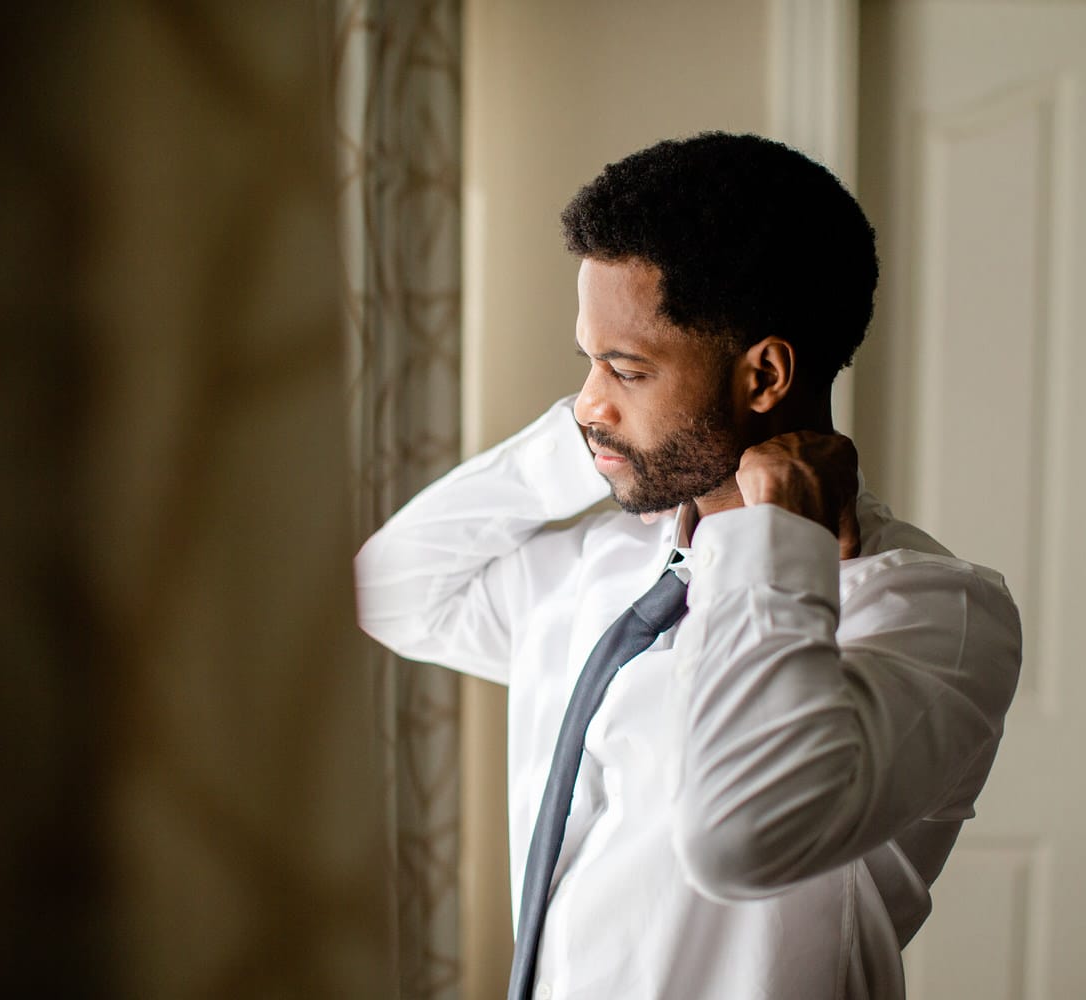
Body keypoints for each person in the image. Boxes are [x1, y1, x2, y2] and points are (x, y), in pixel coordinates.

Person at [355, 131, 1021, 1000]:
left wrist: (782, 544)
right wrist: (592, 439)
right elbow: (388, 589)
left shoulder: (930, 614)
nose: (586, 401)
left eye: (626, 368)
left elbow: (741, 836)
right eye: (586, 361)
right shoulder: (601, 568)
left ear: (766, 374)